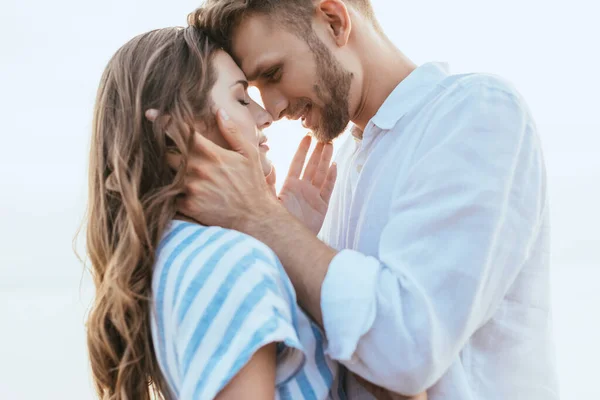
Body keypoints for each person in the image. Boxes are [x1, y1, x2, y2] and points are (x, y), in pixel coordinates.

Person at [174, 1, 560, 399]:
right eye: (252, 91)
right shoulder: (345, 164)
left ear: (334, 21)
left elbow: (408, 349)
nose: (272, 107)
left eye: (273, 73)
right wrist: (288, 241)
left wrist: (262, 219)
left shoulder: (475, 111)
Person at [84, 26, 353, 400]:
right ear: (172, 134)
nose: (265, 115)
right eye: (242, 98)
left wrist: (285, 238)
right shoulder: (230, 262)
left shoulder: (175, 255)